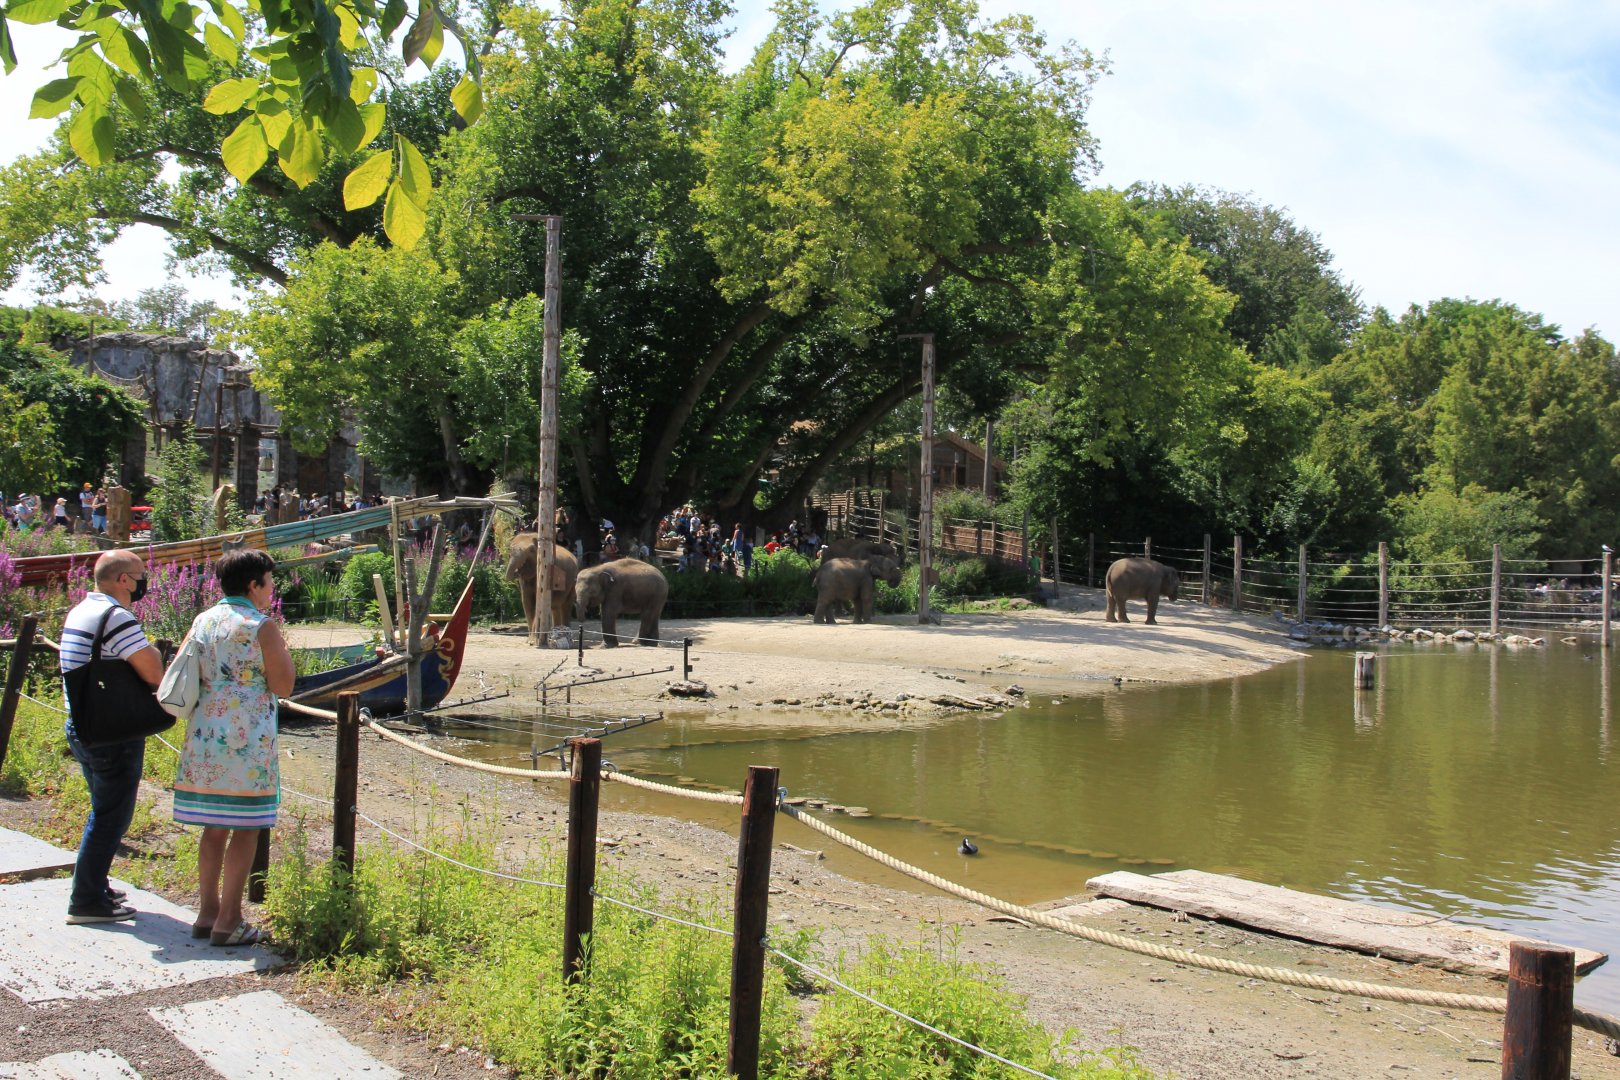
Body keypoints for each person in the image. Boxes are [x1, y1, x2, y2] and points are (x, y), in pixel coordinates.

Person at [172, 549, 295, 946]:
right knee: (247, 827)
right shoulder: (261, 626)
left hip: (206, 732)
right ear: (253, 585)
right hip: (246, 737)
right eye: (269, 582)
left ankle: (207, 912)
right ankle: (230, 919)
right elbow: (284, 685)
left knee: (214, 827)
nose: (272, 589)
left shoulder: (202, 620)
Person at [59, 550, 163, 924]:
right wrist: (155, 651)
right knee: (110, 817)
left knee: (102, 810)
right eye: (140, 575)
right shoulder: (116, 616)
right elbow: (152, 671)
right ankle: (86, 900)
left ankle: (95, 884)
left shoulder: (81, 610)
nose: (143, 582)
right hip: (112, 732)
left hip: (83, 725)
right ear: (123, 580)